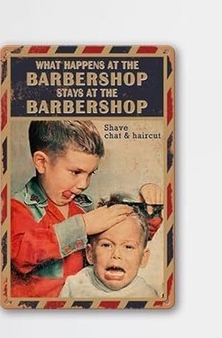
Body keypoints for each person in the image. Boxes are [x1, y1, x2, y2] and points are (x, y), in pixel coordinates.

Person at [9, 120, 134, 298]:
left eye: (90, 174)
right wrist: (82, 227)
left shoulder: (85, 207)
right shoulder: (16, 207)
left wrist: (151, 208)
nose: (84, 184)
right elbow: (19, 254)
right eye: (76, 172)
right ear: (41, 162)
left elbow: (127, 235)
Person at [59, 196, 159, 300]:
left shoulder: (147, 295)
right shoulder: (74, 287)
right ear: (90, 253)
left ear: (143, 258)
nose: (116, 255)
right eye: (106, 245)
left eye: (128, 247)